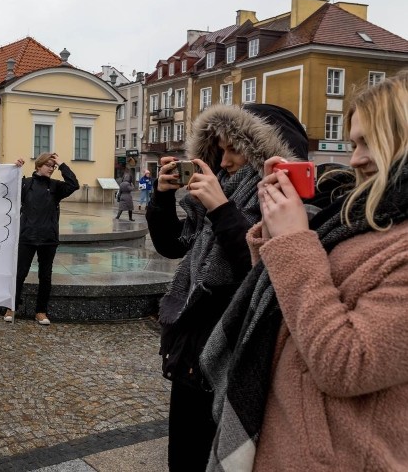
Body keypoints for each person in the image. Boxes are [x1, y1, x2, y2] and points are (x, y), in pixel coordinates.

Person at [202, 73, 408, 471]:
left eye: (370, 142)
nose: (356, 159)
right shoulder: (361, 217)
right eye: (353, 143)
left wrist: (293, 239)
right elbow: (290, 301)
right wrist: (277, 230)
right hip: (289, 440)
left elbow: (346, 363)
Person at [146, 103, 308, 471]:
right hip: (191, 348)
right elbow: (173, 245)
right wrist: (161, 197)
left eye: (235, 148)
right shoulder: (224, 192)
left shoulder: (282, 201)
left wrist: (222, 209)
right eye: (220, 148)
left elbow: (263, 270)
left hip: (229, 352)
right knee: (183, 456)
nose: (225, 159)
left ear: (265, 151)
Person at [5, 152, 79, 325]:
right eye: (48, 165)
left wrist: (61, 164)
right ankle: (11, 307)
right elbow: (6, 187)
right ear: (38, 166)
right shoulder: (26, 184)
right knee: (20, 273)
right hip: (27, 236)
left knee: (45, 276)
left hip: (48, 238)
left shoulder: (55, 186)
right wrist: (14, 168)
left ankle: (41, 311)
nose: (51, 169)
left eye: (53, 166)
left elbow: (73, 184)